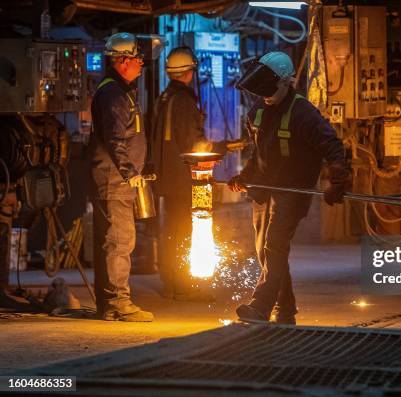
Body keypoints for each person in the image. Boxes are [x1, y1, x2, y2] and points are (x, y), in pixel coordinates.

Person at [229, 51, 351, 325]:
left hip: (293, 192)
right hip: (263, 190)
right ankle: (285, 311)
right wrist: (245, 175)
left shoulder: (304, 113)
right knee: (265, 251)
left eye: (271, 90)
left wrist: (338, 179)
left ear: (286, 82)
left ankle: (260, 307)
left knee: (274, 247)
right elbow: (257, 150)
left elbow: (332, 146)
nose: (266, 95)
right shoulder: (258, 111)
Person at [89, 32, 153, 321]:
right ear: (123, 60)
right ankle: (117, 303)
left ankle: (111, 304)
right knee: (119, 241)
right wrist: (130, 173)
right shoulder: (113, 94)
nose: (141, 64)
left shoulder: (120, 90)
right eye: (137, 59)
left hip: (117, 179)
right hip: (114, 180)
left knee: (116, 240)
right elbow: (115, 139)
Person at [151, 46, 222, 299]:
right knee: (185, 232)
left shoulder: (165, 97)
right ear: (188, 71)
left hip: (168, 179)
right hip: (184, 180)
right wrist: (217, 148)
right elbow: (194, 143)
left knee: (173, 231)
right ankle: (185, 287)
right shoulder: (183, 101)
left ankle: (172, 282)